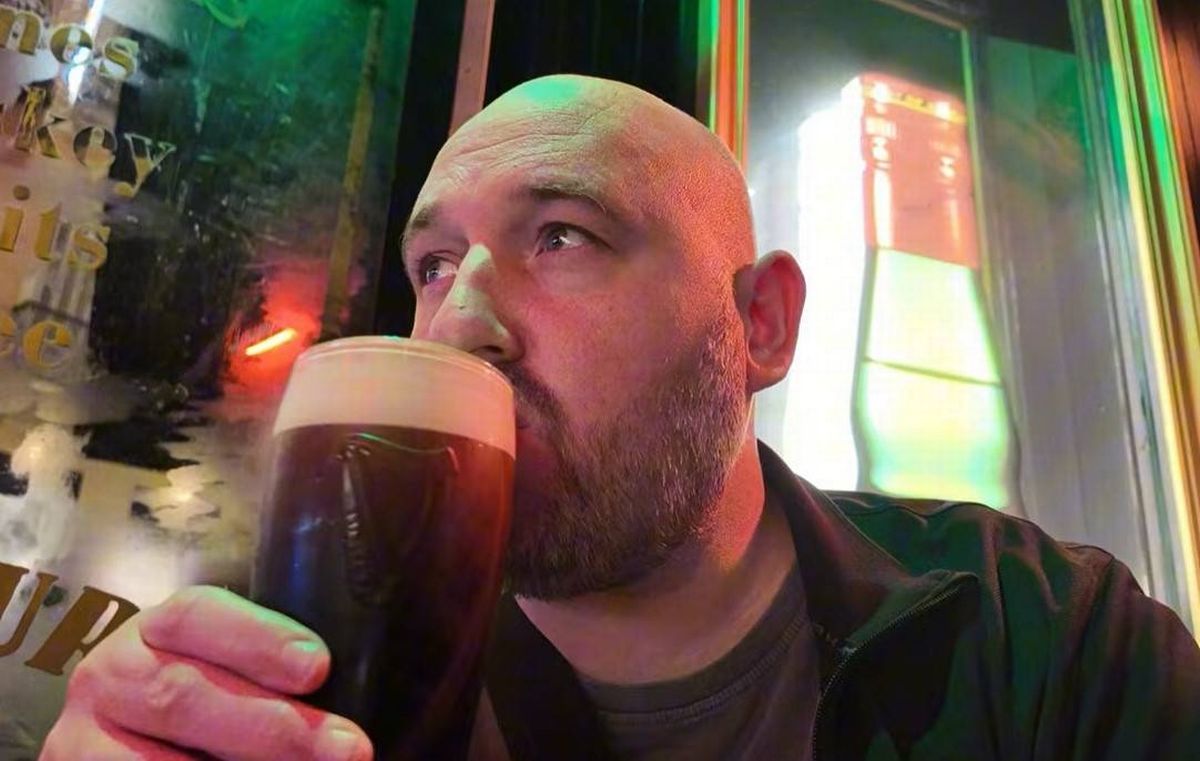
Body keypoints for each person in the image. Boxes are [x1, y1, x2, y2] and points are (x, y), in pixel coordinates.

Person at [41, 74, 1200, 760]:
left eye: (563, 236)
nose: (461, 327)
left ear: (762, 326)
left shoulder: (1047, 642)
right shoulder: (309, 677)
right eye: (437, 263)